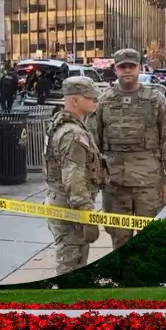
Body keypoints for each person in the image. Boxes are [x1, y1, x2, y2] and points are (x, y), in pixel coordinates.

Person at [88, 48, 166, 249]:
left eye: (131, 66)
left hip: (148, 184)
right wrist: (91, 182)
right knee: (119, 239)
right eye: (122, 67)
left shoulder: (155, 100)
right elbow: (92, 144)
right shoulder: (104, 102)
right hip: (114, 185)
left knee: (152, 240)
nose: (127, 71)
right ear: (115, 70)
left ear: (139, 68)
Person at [42, 76, 105, 274]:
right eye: (90, 97)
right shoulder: (73, 134)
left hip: (58, 201)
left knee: (72, 261)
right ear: (75, 100)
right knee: (72, 264)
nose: (95, 101)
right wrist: (87, 217)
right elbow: (74, 180)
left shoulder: (60, 125)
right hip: (69, 209)